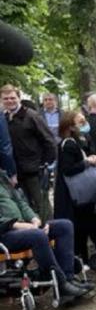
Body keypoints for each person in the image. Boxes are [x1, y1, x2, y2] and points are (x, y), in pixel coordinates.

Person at [0, 167, 91, 298]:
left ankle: (68, 278)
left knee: (64, 226)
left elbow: (21, 202)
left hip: (24, 227)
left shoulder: (2, 177)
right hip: (5, 233)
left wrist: (35, 220)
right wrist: (21, 226)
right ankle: (61, 284)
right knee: (37, 235)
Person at [2, 84, 56, 222]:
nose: (9, 101)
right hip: (15, 172)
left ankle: (51, 237)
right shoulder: (4, 118)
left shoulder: (31, 116)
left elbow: (49, 140)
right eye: (6, 98)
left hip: (34, 170)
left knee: (42, 205)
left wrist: (44, 163)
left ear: (19, 98)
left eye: (12, 98)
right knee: (25, 207)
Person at [54, 110, 96, 264]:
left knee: (88, 221)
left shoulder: (84, 137)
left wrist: (95, 157)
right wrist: (87, 162)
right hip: (74, 193)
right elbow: (68, 169)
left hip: (84, 194)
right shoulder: (67, 144)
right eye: (80, 122)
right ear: (71, 126)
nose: (85, 124)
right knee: (79, 225)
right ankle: (80, 257)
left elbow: (92, 152)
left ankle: (89, 256)